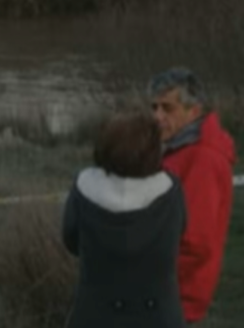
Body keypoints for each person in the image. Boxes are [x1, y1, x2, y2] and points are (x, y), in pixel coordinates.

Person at [62, 111, 186, 328]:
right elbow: (180, 234)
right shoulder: (171, 192)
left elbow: (71, 240)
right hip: (160, 318)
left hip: (95, 315)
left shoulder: (83, 189)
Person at [148, 68, 236, 325]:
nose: (157, 116)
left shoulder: (202, 159)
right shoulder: (180, 150)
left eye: (167, 108)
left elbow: (196, 241)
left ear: (193, 111)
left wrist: (150, 277)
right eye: (154, 107)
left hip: (175, 296)